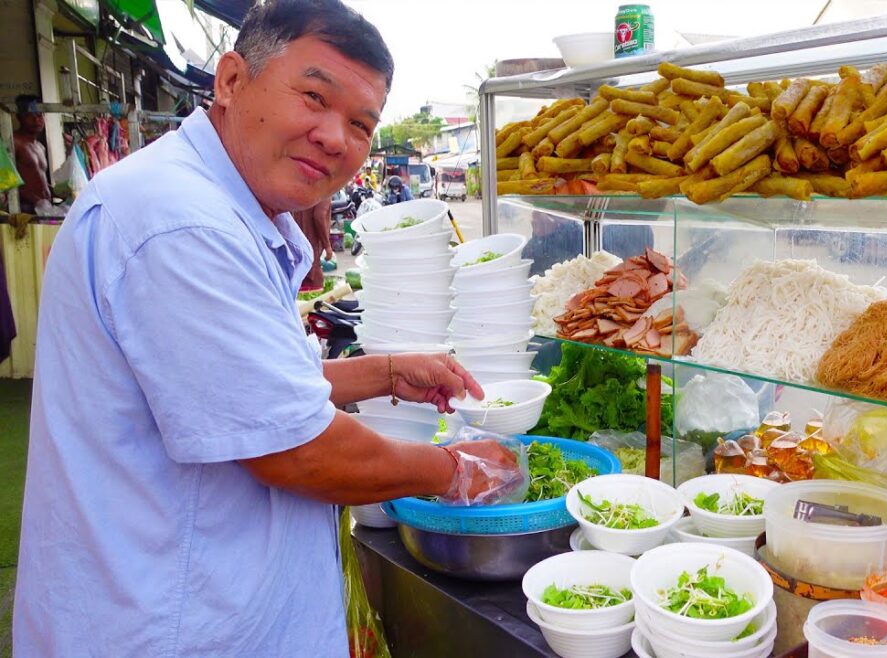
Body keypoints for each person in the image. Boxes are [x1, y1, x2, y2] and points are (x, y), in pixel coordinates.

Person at [13, 1, 521, 655]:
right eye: (314, 97)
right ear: (230, 81)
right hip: (172, 623)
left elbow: (236, 388)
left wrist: (384, 372)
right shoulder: (182, 223)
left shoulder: (218, 203)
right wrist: (453, 469)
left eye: (361, 124)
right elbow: (296, 449)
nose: (336, 138)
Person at [12, 95, 51, 214]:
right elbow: (6, 180)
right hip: (23, 210)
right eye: (30, 116)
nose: (36, 120)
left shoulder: (40, 147)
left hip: (44, 209)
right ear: (19, 117)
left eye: (39, 115)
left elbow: (36, 178)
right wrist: (36, 200)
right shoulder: (13, 142)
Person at [292, 197, 333, 289]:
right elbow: (319, 216)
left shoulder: (300, 185)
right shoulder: (325, 188)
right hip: (311, 245)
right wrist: (327, 245)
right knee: (314, 286)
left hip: (294, 242)